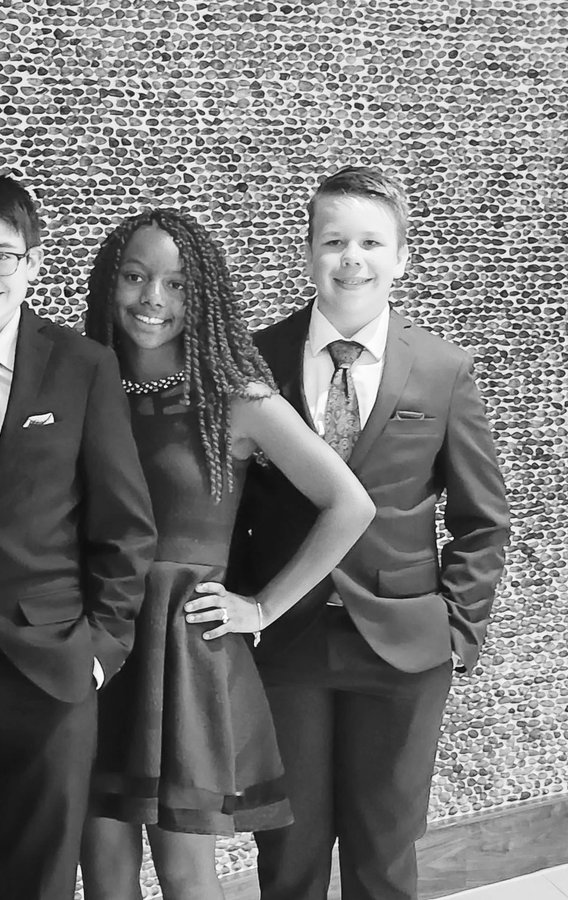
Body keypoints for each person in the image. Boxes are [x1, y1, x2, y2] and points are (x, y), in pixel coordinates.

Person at [77, 208, 375, 900]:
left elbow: (349, 504)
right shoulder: (82, 384)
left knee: (186, 873)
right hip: (95, 638)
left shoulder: (234, 399)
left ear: (204, 294)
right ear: (107, 282)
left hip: (183, 658)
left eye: (178, 284)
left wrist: (262, 605)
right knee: (104, 872)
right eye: (135, 276)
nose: (153, 299)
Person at [230, 166, 510, 900]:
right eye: (333, 240)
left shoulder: (445, 372)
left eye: (370, 242)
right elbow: (227, 505)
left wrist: (459, 628)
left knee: (384, 853)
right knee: (286, 852)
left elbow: (484, 520)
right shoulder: (255, 361)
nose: (351, 258)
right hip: (286, 643)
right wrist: (237, 608)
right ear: (308, 253)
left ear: (401, 258)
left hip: (404, 650)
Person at [0, 170, 158, 900]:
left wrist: (101, 653)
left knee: (40, 876)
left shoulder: (82, 366)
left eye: (1, 255)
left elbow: (125, 526)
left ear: (33, 263)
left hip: (51, 666)